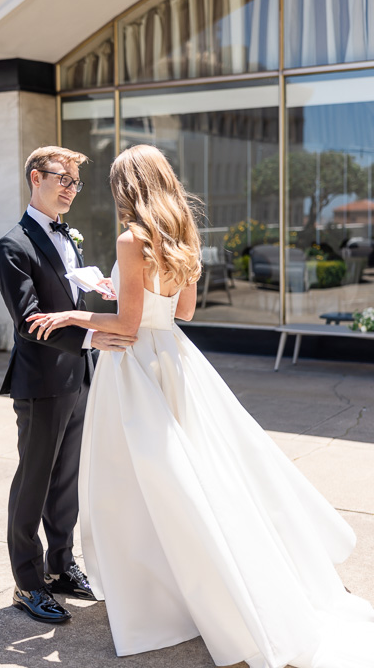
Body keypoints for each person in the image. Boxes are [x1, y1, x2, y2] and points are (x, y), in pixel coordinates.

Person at [28, 144, 374, 668]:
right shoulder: (181, 235)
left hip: (137, 367)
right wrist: (125, 293)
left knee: (136, 483)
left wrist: (75, 317)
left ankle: (160, 597)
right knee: (194, 477)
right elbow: (182, 311)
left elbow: (124, 326)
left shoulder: (130, 238)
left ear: (128, 187)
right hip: (177, 360)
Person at [0, 145, 136, 626]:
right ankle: (28, 583)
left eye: (76, 182)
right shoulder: (12, 246)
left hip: (78, 377)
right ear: (37, 177)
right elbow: (31, 321)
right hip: (40, 381)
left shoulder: (68, 236)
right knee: (32, 482)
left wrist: (98, 293)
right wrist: (96, 335)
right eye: (63, 179)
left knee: (65, 483)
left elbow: (67, 294)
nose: (71, 189)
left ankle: (59, 566)